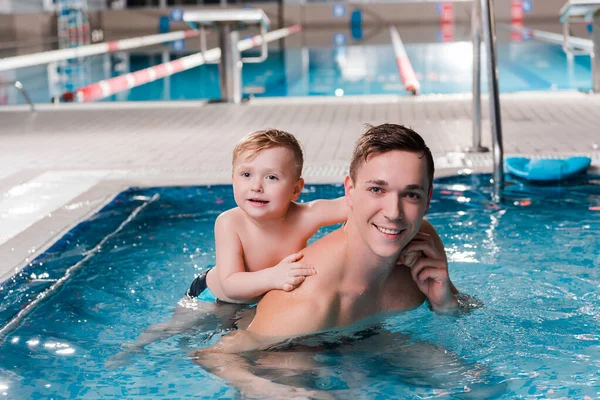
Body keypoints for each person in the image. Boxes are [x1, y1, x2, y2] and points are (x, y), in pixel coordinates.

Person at [190, 123, 469, 397]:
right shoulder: (307, 299)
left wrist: (445, 302)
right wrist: (272, 390)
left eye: (410, 194)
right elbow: (214, 356)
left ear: (427, 198)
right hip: (290, 346)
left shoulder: (422, 239)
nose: (393, 213)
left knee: (475, 382)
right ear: (350, 192)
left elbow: (464, 309)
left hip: (360, 337)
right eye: (376, 190)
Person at [188, 128, 349, 304]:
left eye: (271, 177)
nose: (256, 186)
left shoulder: (306, 216)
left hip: (259, 302)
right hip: (211, 297)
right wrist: (273, 276)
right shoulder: (230, 222)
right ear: (234, 180)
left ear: (295, 189)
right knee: (174, 330)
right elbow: (230, 284)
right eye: (246, 175)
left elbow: (353, 204)